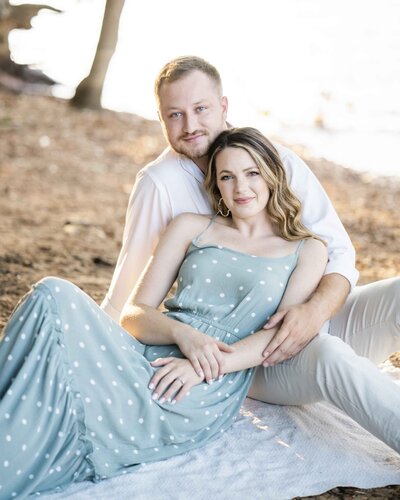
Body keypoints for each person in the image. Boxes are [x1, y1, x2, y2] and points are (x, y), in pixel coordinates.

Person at [1, 127, 398, 499]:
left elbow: (278, 335)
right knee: (52, 293)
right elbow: (135, 314)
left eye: (252, 173)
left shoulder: (307, 250)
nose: (240, 187)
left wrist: (201, 366)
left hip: (212, 376)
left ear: (273, 176)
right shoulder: (191, 227)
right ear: (215, 185)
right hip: (155, 351)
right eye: (227, 177)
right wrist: (182, 336)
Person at [101, 55, 399, 377]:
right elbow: (127, 296)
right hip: (250, 355)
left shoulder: (276, 159)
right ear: (160, 118)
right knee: (329, 358)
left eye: (201, 108)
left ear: (224, 106)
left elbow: (339, 252)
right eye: (175, 115)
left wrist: (313, 312)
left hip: (318, 321)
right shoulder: (159, 184)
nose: (190, 126)